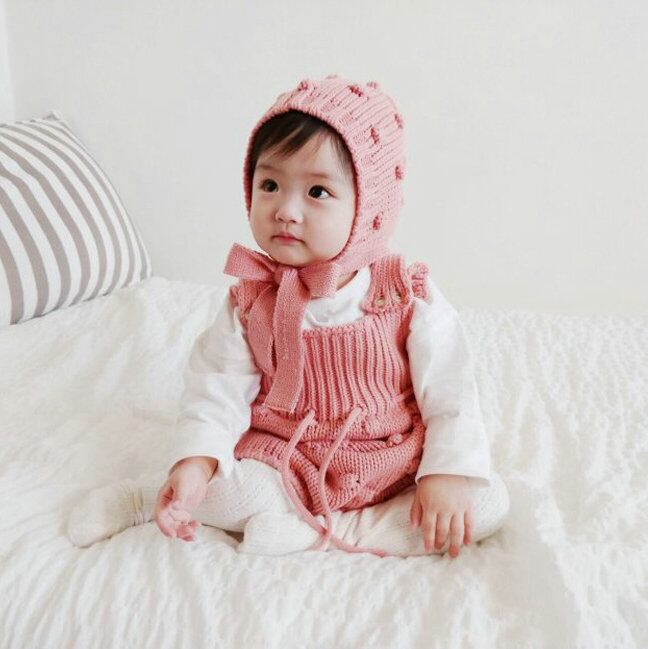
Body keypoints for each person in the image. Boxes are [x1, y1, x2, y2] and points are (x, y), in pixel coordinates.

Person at [67, 74, 510, 558]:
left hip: (391, 455)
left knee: (485, 504)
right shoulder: (252, 300)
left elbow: (450, 389)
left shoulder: (404, 291)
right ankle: (143, 498)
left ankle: (324, 532)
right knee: (225, 491)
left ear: (369, 206)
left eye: (317, 192)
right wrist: (196, 461)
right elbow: (216, 387)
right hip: (289, 456)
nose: (286, 210)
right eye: (270, 185)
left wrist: (446, 472)